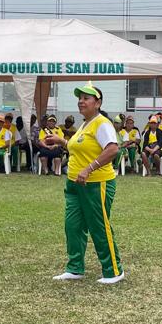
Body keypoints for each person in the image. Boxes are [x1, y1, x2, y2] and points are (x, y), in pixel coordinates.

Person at [46, 85, 123, 284]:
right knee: (73, 226)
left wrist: (89, 169)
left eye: (86, 98)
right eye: (79, 98)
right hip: (74, 185)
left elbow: (112, 149)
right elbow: (78, 148)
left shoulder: (102, 123)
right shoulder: (85, 124)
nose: (81, 101)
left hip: (96, 184)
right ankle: (75, 268)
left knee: (98, 226)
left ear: (98, 103)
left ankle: (114, 271)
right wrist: (61, 141)